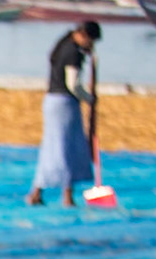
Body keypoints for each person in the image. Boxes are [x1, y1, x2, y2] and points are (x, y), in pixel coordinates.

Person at [27, 20, 101, 206]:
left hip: (52, 100)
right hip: (64, 103)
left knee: (52, 146)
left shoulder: (63, 45)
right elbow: (73, 84)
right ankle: (67, 195)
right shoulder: (72, 52)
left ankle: (37, 193)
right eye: (91, 41)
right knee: (66, 148)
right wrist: (89, 98)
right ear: (84, 36)